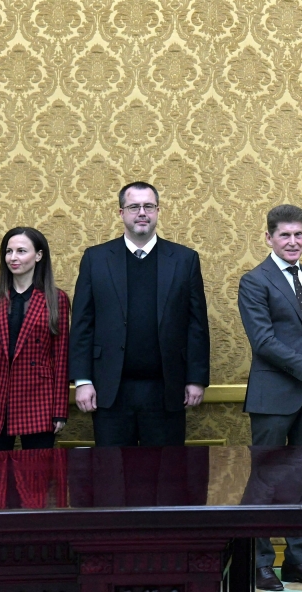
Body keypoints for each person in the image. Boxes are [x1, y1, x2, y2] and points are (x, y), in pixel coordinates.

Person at [237, 204, 302, 590]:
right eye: (284, 235)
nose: (292, 242)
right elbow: (263, 342)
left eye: (299, 235)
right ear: (268, 238)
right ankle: (260, 563)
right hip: (272, 397)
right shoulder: (254, 280)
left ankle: (298, 560)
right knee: (264, 482)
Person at [69, 181, 210, 447]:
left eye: (148, 206)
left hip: (167, 390)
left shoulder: (184, 259)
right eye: (134, 206)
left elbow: (197, 325)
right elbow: (82, 324)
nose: (142, 212)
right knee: (111, 477)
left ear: (158, 211)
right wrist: (83, 380)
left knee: (166, 477)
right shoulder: (96, 259)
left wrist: (196, 378)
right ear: (121, 212)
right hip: (110, 390)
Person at [0, 228, 70, 452]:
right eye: (9, 251)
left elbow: (61, 359)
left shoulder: (56, 299)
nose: (13, 257)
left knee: (37, 479)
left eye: (21, 251)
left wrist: (59, 409)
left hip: (39, 397)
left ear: (38, 256)